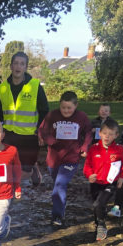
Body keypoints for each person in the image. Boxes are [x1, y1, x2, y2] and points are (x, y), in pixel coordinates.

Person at [0, 51, 49, 186]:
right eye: (15, 63)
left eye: (22, 64)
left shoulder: (35, 86)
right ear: (11, 66)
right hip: (9, 134)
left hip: (30, 136)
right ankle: (11, 192)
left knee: (24, 172)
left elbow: (44, 111)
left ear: (25, 67)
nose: (18, 66)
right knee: (8, 168)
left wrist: (41, 131)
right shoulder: (2, 88)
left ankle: (32, 170)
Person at [38, 91, 92, 227]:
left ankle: (57, 216)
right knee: (58, 184)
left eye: (69, 108)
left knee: (60, 184)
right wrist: (50, 140)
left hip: (71, 158)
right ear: (59, 105)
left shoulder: (81, 117)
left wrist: (85, 147)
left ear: (76, 106)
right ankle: (61, 204)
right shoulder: (53, 115)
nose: (66, 111)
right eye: (63, 107)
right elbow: (43, 130)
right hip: (54, 158)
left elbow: (88, 132)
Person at [83, 118, 123, 241]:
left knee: (99, 203)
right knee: (96, 205)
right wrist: (90, 175)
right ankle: (98, 224)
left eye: (110, 134)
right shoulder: (94, 149)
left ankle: (102, 225)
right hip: (96, 183)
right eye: (105, 133)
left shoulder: (119, 150)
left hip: (110, 183)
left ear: (116, 135)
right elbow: (87, 165)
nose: (107, 136)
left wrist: (121, 177)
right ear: (100, 133)